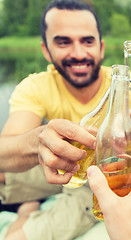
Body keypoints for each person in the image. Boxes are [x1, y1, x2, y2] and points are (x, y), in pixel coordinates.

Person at [0, 0, 111, 239]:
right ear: (46, 49)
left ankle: (27, 211)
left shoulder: (124, 86)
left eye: (87, 41)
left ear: (101, 47)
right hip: (59, 171)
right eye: (63, 42)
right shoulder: (35, 85)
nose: (79, 54)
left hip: (99, 176)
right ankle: (27, 207)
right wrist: (37, 141)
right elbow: (3, 151)